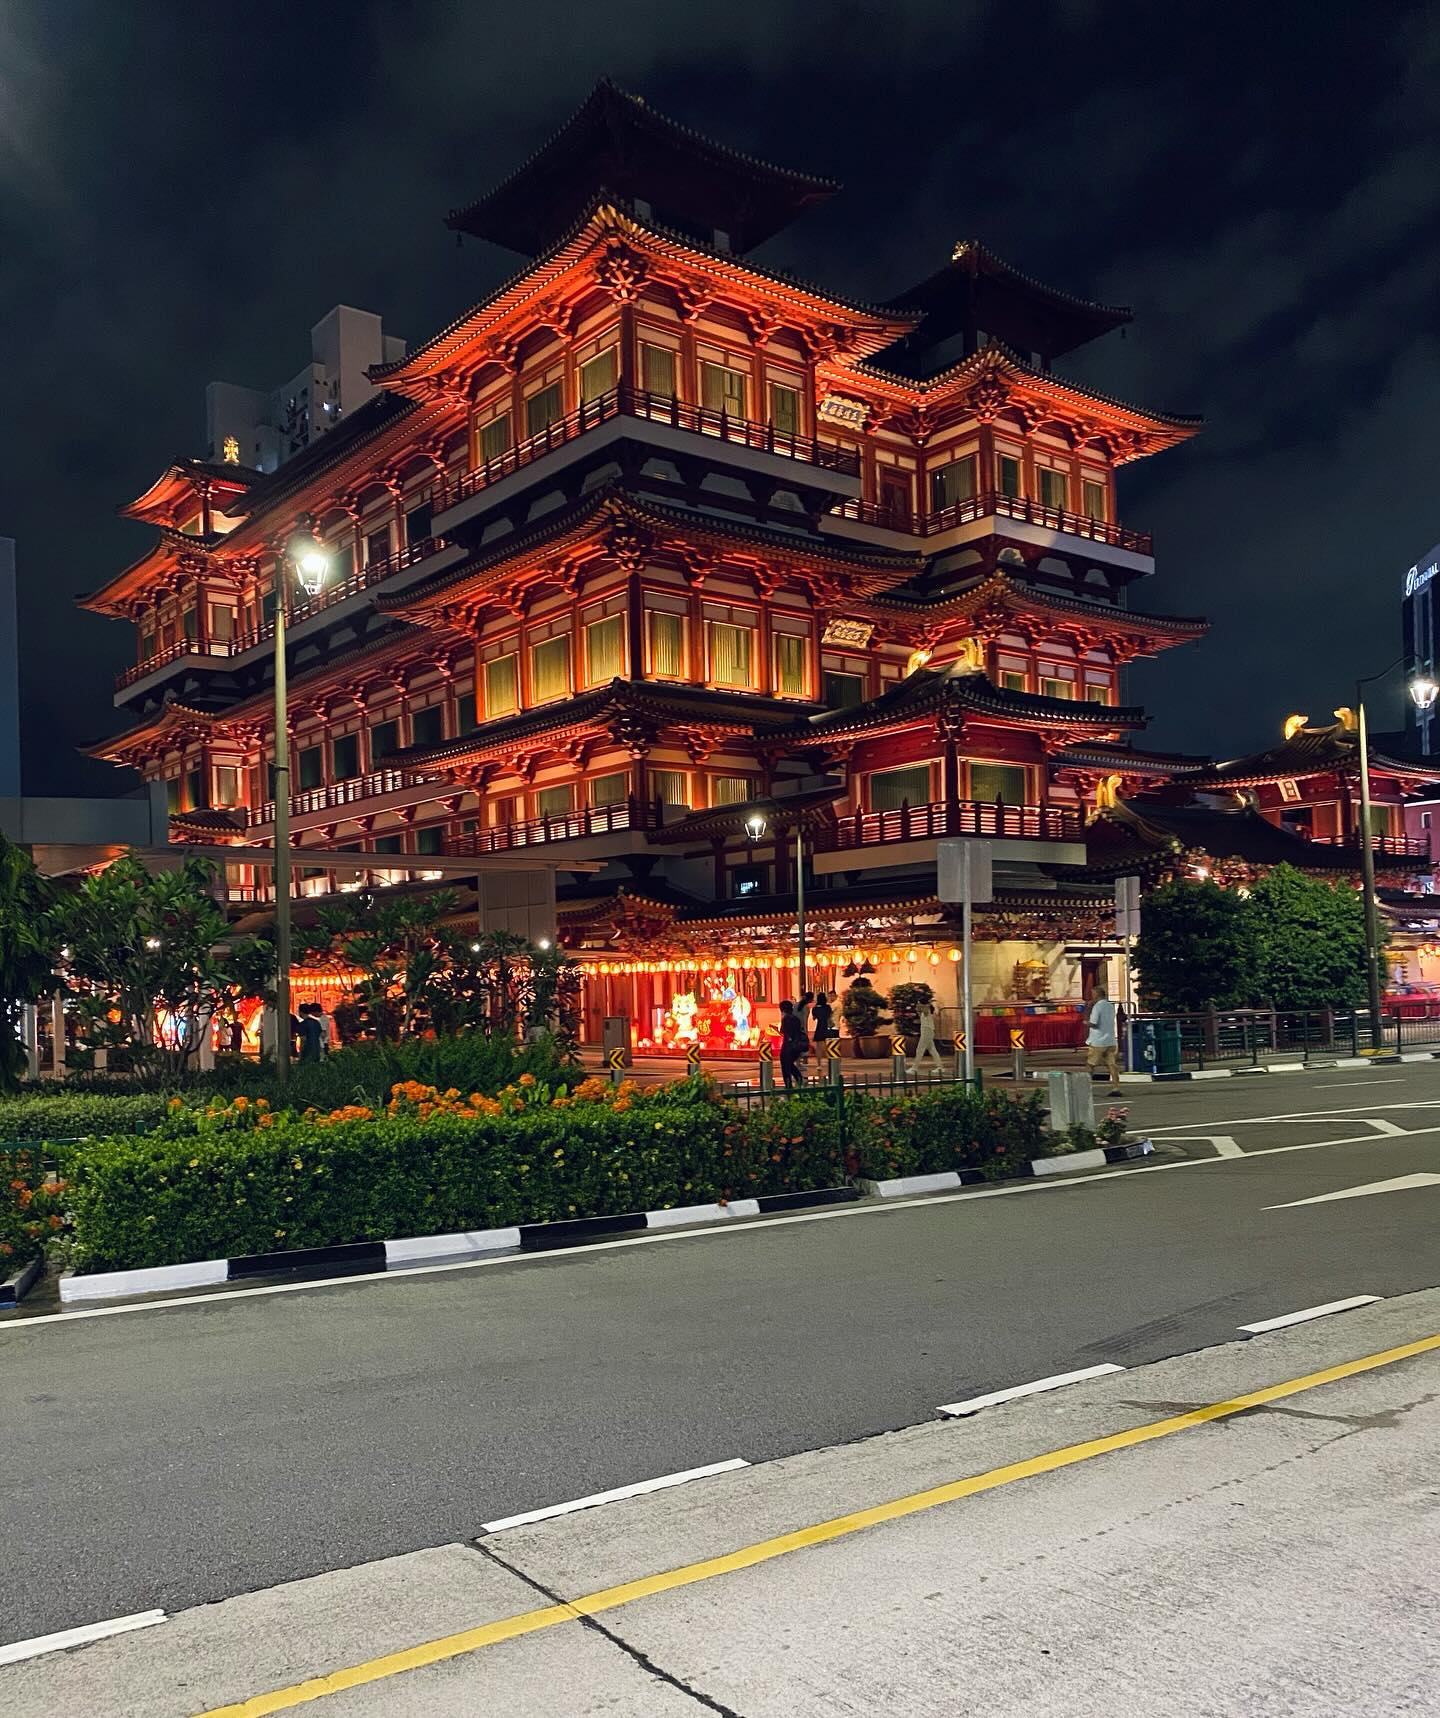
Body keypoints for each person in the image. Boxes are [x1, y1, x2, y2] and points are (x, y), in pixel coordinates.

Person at [1085, 980, 1122, 1093]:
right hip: (1110, 1040)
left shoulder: (1097, 1007)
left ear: (1096, 995)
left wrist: (1086, 1021)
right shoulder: (1110, 1006)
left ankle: (1086, 1087)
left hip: (1098, 1041)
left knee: (1090, 1065)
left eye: (1092, 994)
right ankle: (1116, 1087)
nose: (1091, 997)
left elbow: (1094, 1023)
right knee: (1112, 1065)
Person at [778, 998, 808, 1092]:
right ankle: (799, 1079)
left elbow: (783, 1031)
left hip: (788, 1045)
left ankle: (788, 1084)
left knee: (785, 1064)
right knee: (790, 1064)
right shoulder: (796, 1018)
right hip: (797, 1045)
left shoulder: (786, 1019)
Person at [911, 997, 944, 1071]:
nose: (918, 1005)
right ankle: (940, 1067)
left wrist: (928, 1002)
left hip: (927, 1031)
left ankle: (914, 1067)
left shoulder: (926, 1010)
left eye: (919, 1003)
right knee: (932, 1050)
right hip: (926, 1031)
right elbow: (921, 1017)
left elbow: (926, 1007)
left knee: (920, 1049)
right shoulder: (924, 1012)